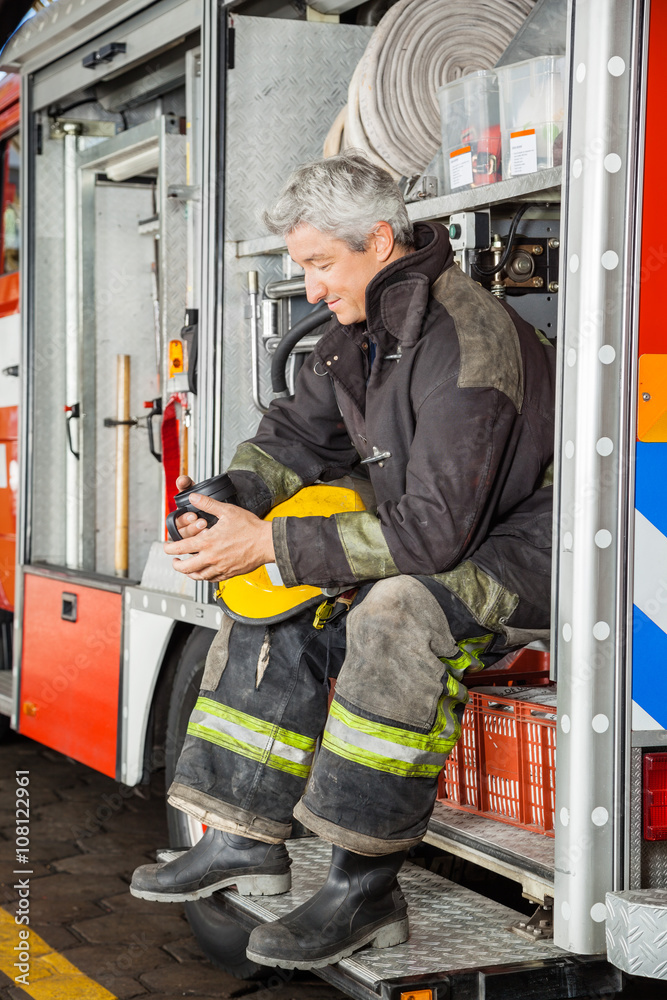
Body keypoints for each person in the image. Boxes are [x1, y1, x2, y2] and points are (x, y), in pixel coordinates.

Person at [131, 152, 556, 970]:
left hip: (519, 551)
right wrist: (234, 500)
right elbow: (295, 437)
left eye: (321, 264)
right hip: (437, 533)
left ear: (381, 240)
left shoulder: (466, 342)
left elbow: (434, 535)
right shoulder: (359, 335)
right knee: (268, 589)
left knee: (398, 609)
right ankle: (243, 833)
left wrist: (275, 544)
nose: (313, 286)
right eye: (303, 267)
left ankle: (363, 886)